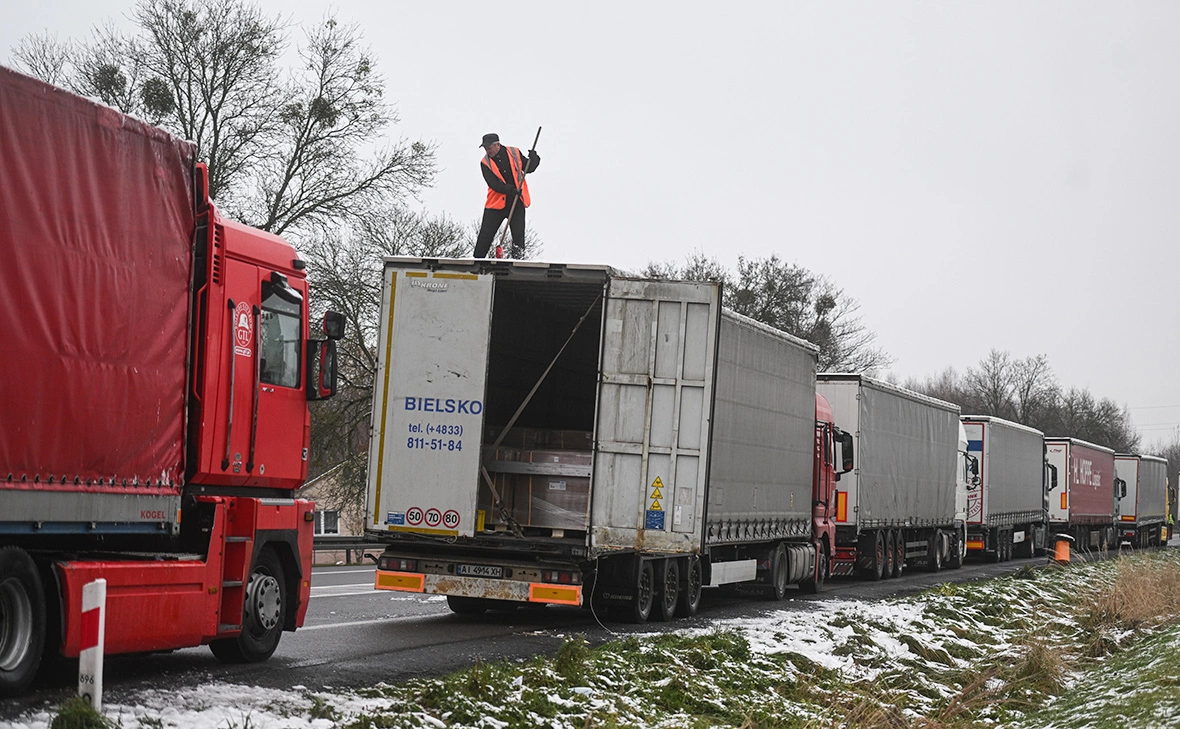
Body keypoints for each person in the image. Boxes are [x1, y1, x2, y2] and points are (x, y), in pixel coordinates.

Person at [474, 133, 540, 258]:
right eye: (485, 148)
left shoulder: (514, 152)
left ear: (497, 144)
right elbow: (493, 184)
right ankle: (477, 262)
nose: (487, 151)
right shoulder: (484, 163)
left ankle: (518, 261)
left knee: (518, 237)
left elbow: (528, 168)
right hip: (495, 204)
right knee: (485, 235)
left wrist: (534, 159)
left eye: (489, 148)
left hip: (516, 201)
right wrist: (510, 189)